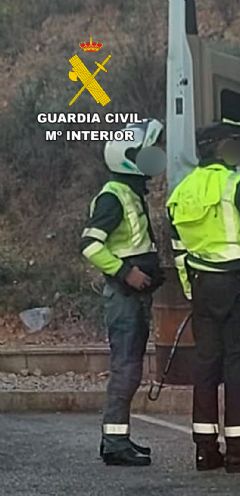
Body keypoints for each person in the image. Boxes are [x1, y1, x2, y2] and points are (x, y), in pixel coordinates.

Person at [167, 121, 240, 474]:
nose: (238, 149)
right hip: (239, 286)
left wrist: (192, 290)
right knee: (239, 366)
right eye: (234, 143)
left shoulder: (181, 192)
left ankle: (205, 449)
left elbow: (178, 252)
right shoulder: (237, 185)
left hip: (203, 288)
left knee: (206, 366)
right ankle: (239, 449)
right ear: (220, 148)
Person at [80, 119, 166, 466]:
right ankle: (115, 443)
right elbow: (89, 245)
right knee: (126, 367)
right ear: (128, 158)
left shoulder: (128, 192)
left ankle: (118, 439)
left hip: (133, 297)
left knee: (129, 367)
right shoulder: (113, 197)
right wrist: (126, 272)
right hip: (124, 298)